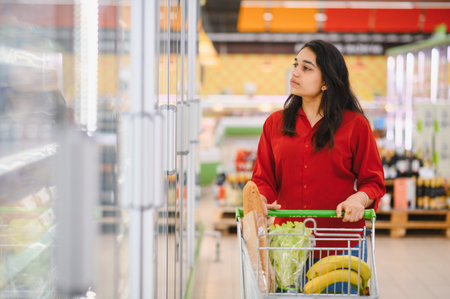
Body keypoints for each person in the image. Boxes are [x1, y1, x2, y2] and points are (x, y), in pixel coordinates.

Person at [251, 39, 385, 249]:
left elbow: (373, 181)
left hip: (342, 245)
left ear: (326, 82)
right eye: (295, 65)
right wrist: (258, 198)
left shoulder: (355, 125)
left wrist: (359, 199)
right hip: (287, 245)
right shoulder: (274, 124)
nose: (295, 72)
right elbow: (264, 179)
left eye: (306, 68)